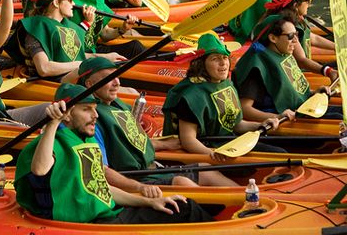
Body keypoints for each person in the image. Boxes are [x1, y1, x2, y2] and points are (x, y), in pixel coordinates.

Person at [14, 82, 213, 224]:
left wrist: (149, 202)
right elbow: (40, 169)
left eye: (94, 109)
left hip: (107, 213)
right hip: (89, 224)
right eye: (86, 110)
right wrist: (52, 124)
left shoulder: (85, 139)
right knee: (185, 210)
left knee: (179, 204)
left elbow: (102, 189)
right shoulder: (49, 143)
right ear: (66, 114)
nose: (96, 115)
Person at [78, 57, 238, 187]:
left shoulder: (119, 105)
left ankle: (249, 199)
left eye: (117, 77)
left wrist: (165, 144)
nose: (117, 83)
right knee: (183, 183)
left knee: (206, 170)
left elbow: (132, 141)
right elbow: (102, 167)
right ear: (90, 84)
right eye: (108, 79)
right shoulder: (93, 119)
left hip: (154, 168)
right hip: (135, 178)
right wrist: (139, 188)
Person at [162, 34, 285, 161]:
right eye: (215, 59)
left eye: (225, 58)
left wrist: (260, 125)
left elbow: (236, 125)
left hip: (229, 144)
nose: (223, 63)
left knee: (280, 153)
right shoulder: (190, 96)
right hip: (207, 150)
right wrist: (213, 154)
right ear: (201, 64)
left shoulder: (226, 84)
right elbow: (188, 140)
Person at [232, 14, 341, 121]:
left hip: (304, 109)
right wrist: (277, 117)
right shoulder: (258, 66)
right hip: (286, 120)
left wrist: (314, 92)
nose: (295, 41)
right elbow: (245, 109)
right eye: (290, 36)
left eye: (296, 35)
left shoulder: (283, 53)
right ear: (273, 38)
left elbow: (291, 92)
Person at [6, 0, 89, 82]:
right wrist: (82, 64)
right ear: (56, 3)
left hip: (74, 78)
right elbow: (44, 68)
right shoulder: (36, 27)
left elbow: (78, 55)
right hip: (53, 83)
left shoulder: (69, 26)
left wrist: (107, 57)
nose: (74, 4)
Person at [264, 0, 338, 77]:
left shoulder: (297, 18)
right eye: (307, 0)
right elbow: (301, 60)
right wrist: (328, 71)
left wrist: (337, 47)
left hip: (306, 67)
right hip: (301, 73)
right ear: (295, 5)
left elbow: (312, 38)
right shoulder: (288, 25)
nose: (309, 3)